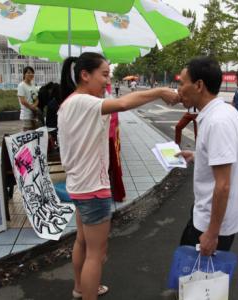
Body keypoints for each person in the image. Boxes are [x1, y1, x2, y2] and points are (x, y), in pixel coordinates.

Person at [57, 52, 179, 300]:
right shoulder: (84, 102)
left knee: (82, 241)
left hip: (78, 186)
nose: (107, 80)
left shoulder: (69, 102)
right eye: (104, 74)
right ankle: (87, 292)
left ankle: (80, 288)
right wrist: (159, 91)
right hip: (93, 188)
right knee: (97, 254)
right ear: (84, 75)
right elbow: (123, 104)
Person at [176, 56, 238, 256]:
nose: (179, 90)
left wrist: (212, 234)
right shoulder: (226, 110)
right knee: (198, 279)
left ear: (199, 85)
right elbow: (223, 158)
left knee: (199, 281)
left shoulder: (217, 122)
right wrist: (196, 155)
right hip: (209, 215)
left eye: (182, 83)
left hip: (213, 223)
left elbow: (223, 184)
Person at [17, 66, 39, 131]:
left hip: (34, 114)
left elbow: (36, 98)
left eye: (32, 73)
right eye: (28, 73)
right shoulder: (21, 85)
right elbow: (22, 101)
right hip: (26, 115)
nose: (31, 74)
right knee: (27, 133)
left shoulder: (33, 85)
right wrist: (31, 107)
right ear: (24, 74)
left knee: (34, 133)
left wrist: (34, 106)